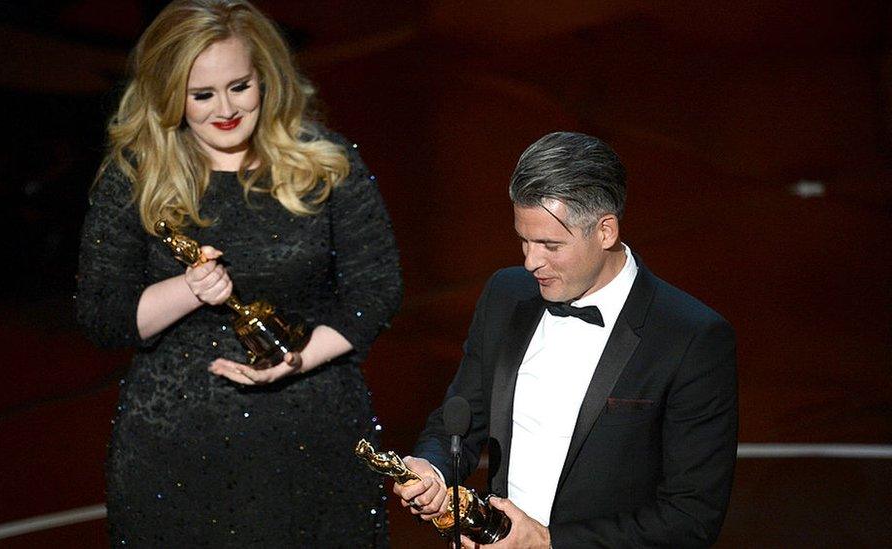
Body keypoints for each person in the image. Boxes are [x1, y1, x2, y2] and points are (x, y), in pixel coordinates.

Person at [75, 1, 402, 546]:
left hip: (315, 441)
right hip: (176, 454)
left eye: (239, 87)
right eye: (201, 95)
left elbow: (377, 288)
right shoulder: (136, 178)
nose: (224, 108)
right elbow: (102, 318)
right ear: (169, 94)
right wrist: (187, 290)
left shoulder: (324, 163)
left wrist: (297, 360)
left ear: (264, 79)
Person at [394, 132, 738, 548]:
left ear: (605, 231)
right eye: (523, 239)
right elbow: (461, 421)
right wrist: (433, 469)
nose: (530, 261)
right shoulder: (506, 294)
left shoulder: (691, 338)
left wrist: (547, 541)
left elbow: (690, 519)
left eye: (549, 245)